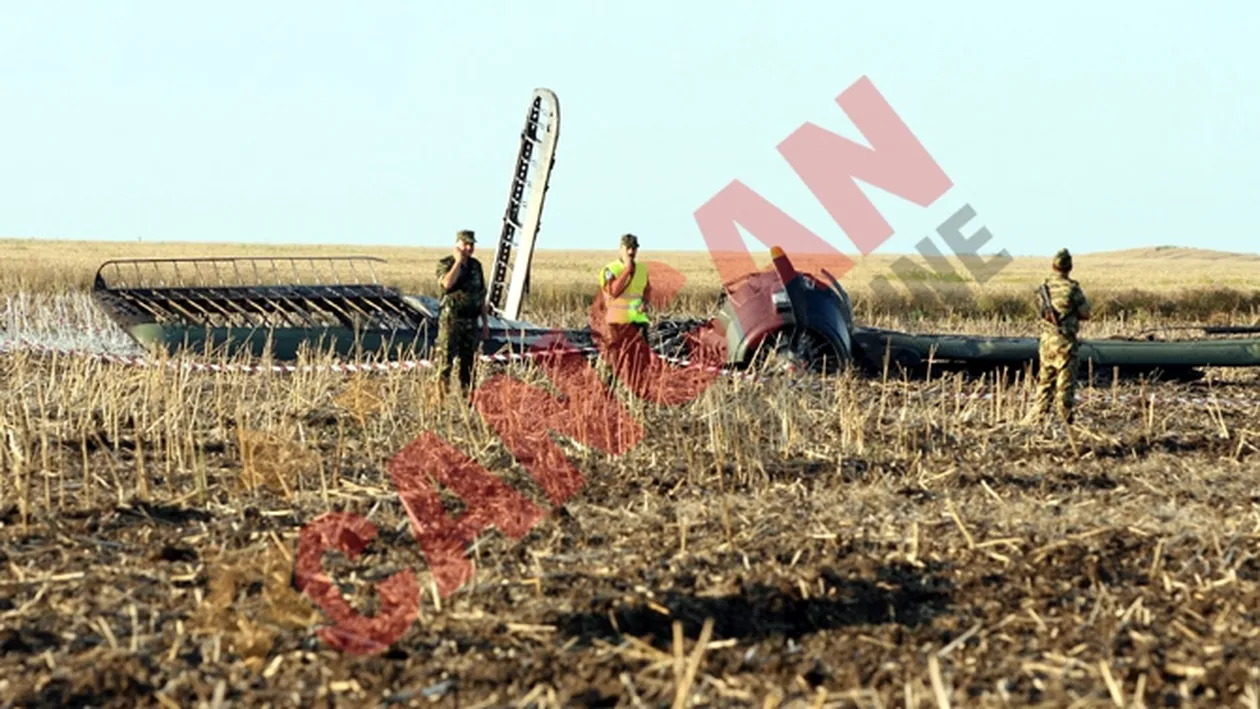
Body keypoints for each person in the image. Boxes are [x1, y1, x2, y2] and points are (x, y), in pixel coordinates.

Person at [1024, 248, 1091, 425]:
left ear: (1053, 266)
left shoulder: (1044, 287)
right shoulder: (1072, 289)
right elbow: (1086, 314)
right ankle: (1066, 423)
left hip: (1046, 342)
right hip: (1065, 343)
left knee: (1045, 383)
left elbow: (1039, 311)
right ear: (1070, 267)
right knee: (1065, 386)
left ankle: (1035, 420)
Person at [434, 229, 490, 398]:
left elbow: (480, 295)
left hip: (471, 321)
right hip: (452, 320)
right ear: (457, 244)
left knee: (469, 365)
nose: (468, 248)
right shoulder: (446, 263)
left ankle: (468, 400)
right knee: (445, 363)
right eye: (465, 244)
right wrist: (458, 263)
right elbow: (447, 284)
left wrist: (485, 323)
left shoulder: (476, 266)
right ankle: (440, 401)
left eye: (471, 245)